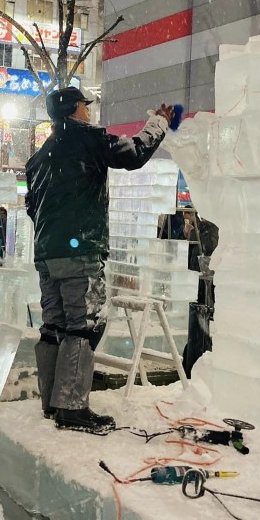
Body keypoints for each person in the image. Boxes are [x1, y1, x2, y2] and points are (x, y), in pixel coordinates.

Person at [26, 86, 174, 434]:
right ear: (74, 110)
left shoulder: (41, 155)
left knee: (54, 326)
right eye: (85, 106)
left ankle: (52, 401)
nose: (89, 112)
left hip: (47, 253)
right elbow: (134, 153)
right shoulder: (87, 140)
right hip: (80, 250)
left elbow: (32, 207)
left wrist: (56, 236)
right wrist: (158, 123)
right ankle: (72, 406)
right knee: (83, 325)